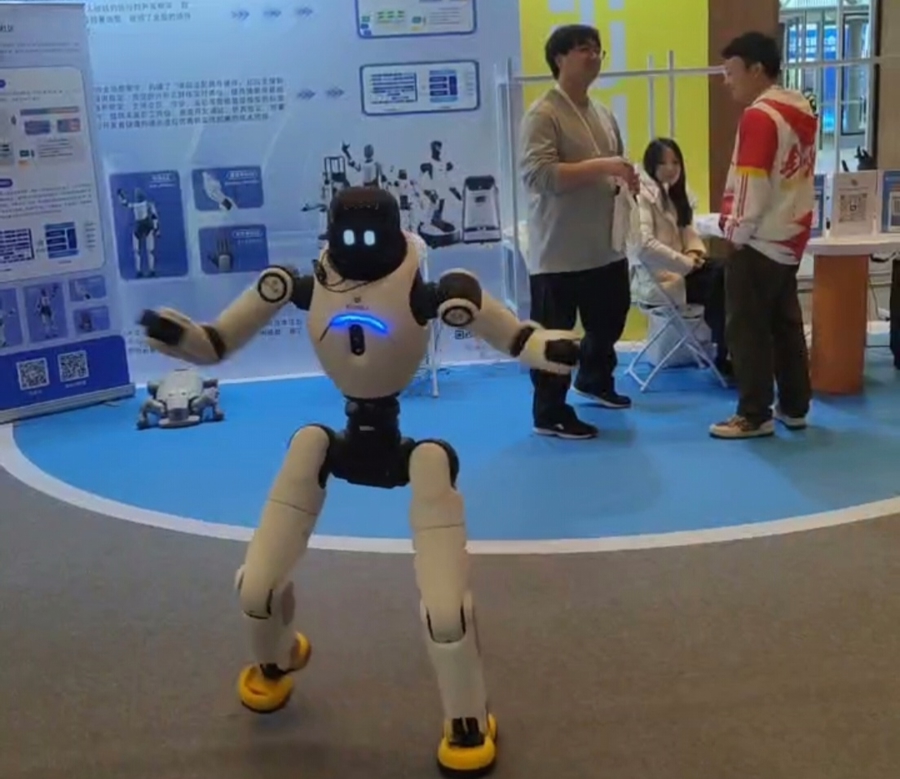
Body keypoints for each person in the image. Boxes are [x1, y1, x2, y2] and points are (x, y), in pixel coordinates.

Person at [520, 23, 640, 440]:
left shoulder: (602, 113)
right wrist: (604, 166)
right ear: (559, 58)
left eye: (597, 50)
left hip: (604, 244)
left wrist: (625, 178)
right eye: (583, 49)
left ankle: (594, 379)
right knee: (555, 337)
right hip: (559, 250)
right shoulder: (543, 114)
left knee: (611, 317)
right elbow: (539, 176)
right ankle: (549, 411)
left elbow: (615, 164)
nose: (593, 56)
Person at [710, 31, 818, 440]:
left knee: (748, 329)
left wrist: (736, 231)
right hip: (791, 234)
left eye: (731, 71)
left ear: (756, 69)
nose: (727, 81)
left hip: (758, 239)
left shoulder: (759, 116)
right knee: (785, 325)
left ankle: (754, 414)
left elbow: (751, 180)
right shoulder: (800, 109)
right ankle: (794, 405)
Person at [631, 137, 730, 376]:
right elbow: (644, 245)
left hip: (683, 271)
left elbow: (688, 231)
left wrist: (693, 253)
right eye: (663, 163)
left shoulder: (678, 194)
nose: (671, 168)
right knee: (720, 278)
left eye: (675, 162)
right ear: (651, 165)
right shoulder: (642, 197)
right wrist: (685, 263)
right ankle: (722, 349)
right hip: (658, 279)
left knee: (730, 270)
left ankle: (725, 346)